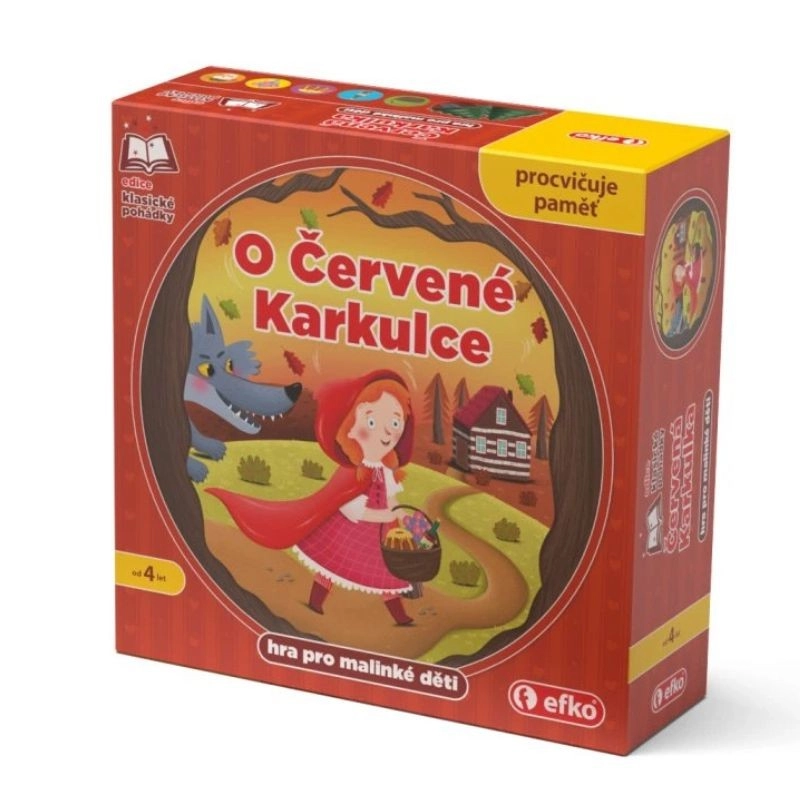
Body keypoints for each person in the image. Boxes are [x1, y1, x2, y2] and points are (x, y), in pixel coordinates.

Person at [207, 369, 416, 625]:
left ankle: (401, 617)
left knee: (384, 575)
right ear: (350, 429)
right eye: (372, 423)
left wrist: (399, 513)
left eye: (395, 424)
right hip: (347, 533)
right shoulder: (351, 472)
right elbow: (352, 509)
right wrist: (384, 515)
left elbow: (392, 497)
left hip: (377, 538)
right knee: (330, 567)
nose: (386, 434)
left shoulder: (386, 470)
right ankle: (316, 603)